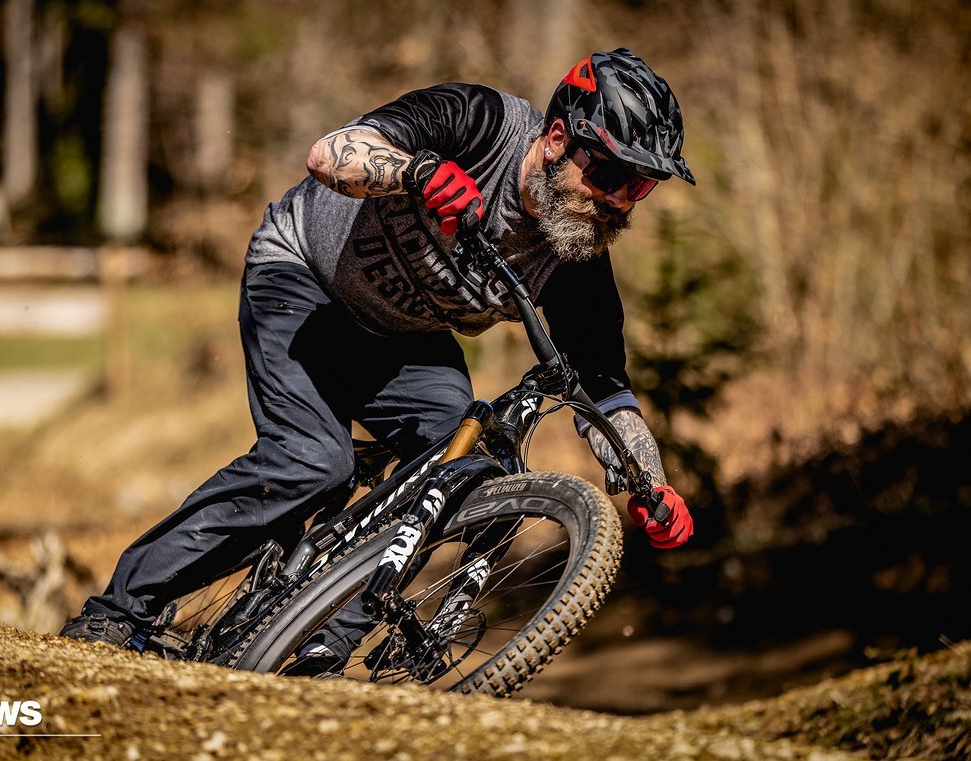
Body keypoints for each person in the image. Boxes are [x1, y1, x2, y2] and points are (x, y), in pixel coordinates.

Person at [60, 47, 696, 657]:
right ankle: (118, 612)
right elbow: (331, 153)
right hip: (304, 275)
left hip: (404, 338)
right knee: (311, 464)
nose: (618, 202)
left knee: (485, 480)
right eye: (611, 174)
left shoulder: (576, 255)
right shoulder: (481, 124)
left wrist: (651, 483)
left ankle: (321, 644)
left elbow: (605, 390)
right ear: (557, 139)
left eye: (639, 188)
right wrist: (416, 173)